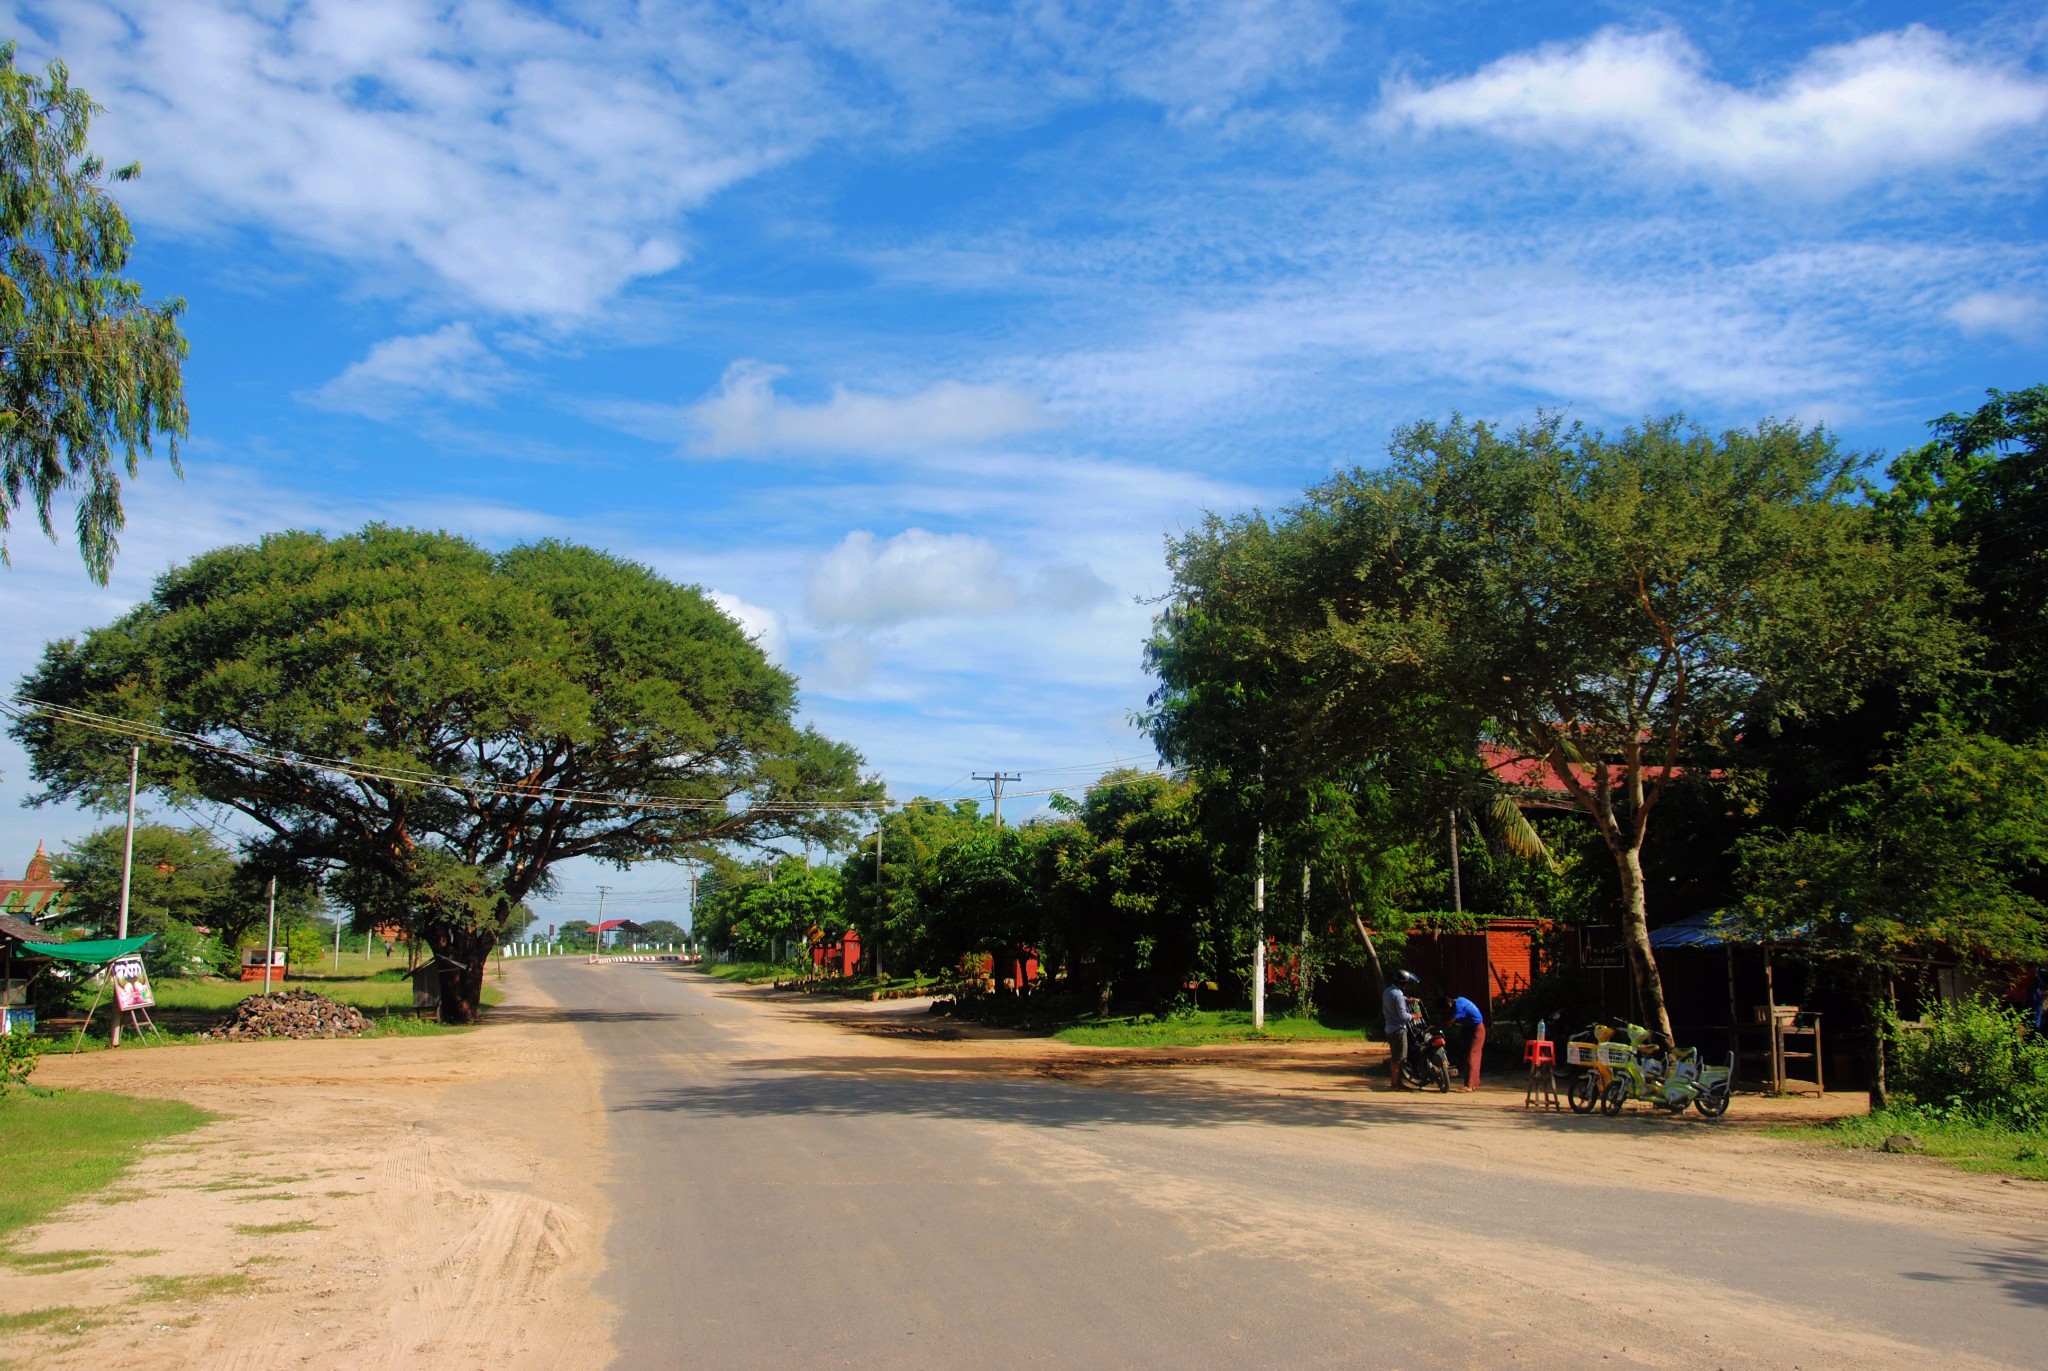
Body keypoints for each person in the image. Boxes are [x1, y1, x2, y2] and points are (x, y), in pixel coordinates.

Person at [1383, 971, 1421, 1090]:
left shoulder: (1388, 991)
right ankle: (1395, 1084)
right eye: (1406, 984)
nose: (1406, 986)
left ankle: (1397, 1082)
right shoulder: (1398, 994)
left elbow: (1397, 999)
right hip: (1398, 1029)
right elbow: (1403, 1015)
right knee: (1398, 1058)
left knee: (1395, 1056)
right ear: (1402, 983)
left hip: (1389, 1028)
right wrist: (1415, 1016)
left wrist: (1407, 999)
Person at [1441, 993, 1486, 1091]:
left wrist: (1434, 1029)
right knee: (1469, 1055)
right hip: (1469, 1028)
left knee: (1472, 1056)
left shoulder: (1459, 1006)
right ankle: (1473, 1083)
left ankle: (1469, 1085)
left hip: (1477, 1029)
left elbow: (1449, 1022)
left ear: (1449, 1005)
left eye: (1445, 1010)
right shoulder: (1458, 1001)